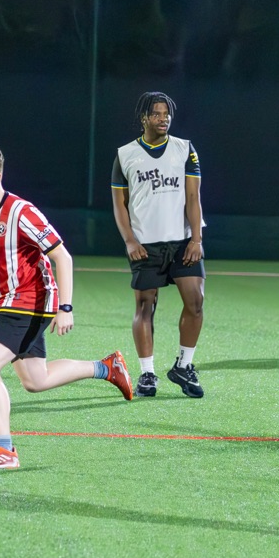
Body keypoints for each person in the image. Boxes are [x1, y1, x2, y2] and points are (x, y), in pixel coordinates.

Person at [0, 142, 133, 470]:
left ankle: (4, 450)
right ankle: (108, 367)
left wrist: (65, 307)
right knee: (35, 380)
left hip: (28, 302)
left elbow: (61, 256)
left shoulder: (22, 213)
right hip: (10, 304)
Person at [111, 91, 206, 398]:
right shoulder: (125, 154)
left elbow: (193, 198)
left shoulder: (185, 149)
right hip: (144, 244)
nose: (163, 118)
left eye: (167, 114)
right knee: (145, 307)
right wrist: (129, 240)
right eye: (156, 114)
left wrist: (196, 238)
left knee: (195, 302)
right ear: (143, 119)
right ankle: (147, 373)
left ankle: (184, 365)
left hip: (181, 243)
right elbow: (119, 205)